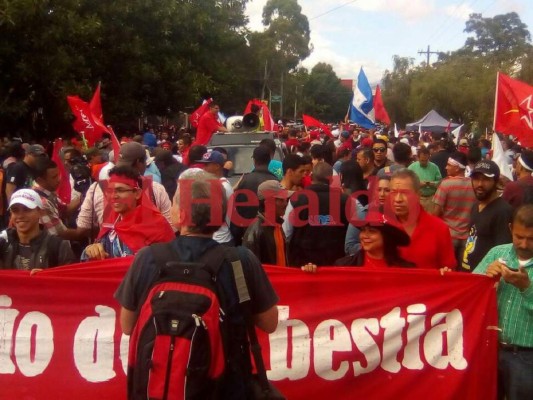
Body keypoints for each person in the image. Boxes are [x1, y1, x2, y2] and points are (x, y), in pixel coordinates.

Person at [115, 170, 278, 398]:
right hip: (225, 387)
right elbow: (270, 323)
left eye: (172, 203)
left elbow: (127, 325)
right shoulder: (240, 261)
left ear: (180, 215)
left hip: (157, 388)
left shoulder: (147, 258)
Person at [472, 204, 533, 400]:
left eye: (531, 239)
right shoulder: (497, 253)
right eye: (519, 237)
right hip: (490, 349)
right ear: (510, 229)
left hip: (526, 356)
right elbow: (468, 293)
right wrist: (485, 277)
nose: (524, 244)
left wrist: (526, 288)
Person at [76, 142, 173, 236]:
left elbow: (83, 228)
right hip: (149, 248)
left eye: (121, 190)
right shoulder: (155, 188)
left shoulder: (96, 188)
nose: (114, 196)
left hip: (107, 250)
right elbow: (171, 227)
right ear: (139, 162)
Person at [82, 166, 174, 260]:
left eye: (120, 190)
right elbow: (96, 254)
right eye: (110, 191)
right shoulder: (110, 223)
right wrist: (90, 250)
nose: (114, 196)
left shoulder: (156, 225)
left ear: (137, 193)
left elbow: (168, 263)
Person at [386, 168, 456, 269]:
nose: (398, 199)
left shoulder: (439, 228)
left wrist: (446, 271)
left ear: (418, 195)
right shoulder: (383, 228)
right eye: (393, 192)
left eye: (405, 193)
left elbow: (449, 268)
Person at [284, 162, 349, 266]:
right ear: (331, 179)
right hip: (335, 265)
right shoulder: (345, 200)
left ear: (312, 177)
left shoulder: (296, 199)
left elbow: (286, 234)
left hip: (302, 265)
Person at [0, 189, 75, 271]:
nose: (20, 215)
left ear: (40, 212)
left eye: (27, 209)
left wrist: (45, 278)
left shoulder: (59, 247)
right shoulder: (3, 243)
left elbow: (69, 281)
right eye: (15, 210)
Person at [462, 160, 513, 272]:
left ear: (496, 182)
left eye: (486, 179)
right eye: (476, 179)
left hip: (484, 280)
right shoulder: (476, 205)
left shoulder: (503, 211)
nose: (480, 184)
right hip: (469, 276)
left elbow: (504, 253)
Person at [433, 152, 477, 268]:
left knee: (448, 270)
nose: (446, 167)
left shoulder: (446, 184)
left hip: (449, 236)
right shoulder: (474, 185)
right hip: (468, 238)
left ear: (457, 168)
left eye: (449, 165)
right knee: (464, 270)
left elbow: (435, 213)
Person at [231, 145, 277, 245]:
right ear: (269, 160)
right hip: (270, 234)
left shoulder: (245, 180)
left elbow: (238, 209)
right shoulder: (275, 181)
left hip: (247, 234)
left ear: (254, 160)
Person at [335, 212, 413, 268]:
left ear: (387, 236)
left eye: (372, 231)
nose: (365, 235)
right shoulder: (344, 266)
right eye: (363, 230)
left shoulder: (406, 270)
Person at [243, 180, 293, 265]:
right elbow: (250, 267)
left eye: (286, 199)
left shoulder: (278, 225)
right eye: (281, 200)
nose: (285, 203)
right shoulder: (256, 231)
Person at [196, 151, 234, 245]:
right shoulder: (219, 184)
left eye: (207, 165)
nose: (203, 168)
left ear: (217, 166)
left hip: (221, 240)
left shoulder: (222, 187)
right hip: (216, 238)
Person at [408, 147, 442, 213]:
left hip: (431, 199)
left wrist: (433, 183)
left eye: (426, 160)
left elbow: (440, 182)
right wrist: (417, 184)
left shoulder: (434, 167)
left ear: (429, 157)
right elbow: (407, 183)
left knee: (430, 220)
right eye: (422, 160)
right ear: (418, 158)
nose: (424, 162)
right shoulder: (412, 167)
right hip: (417, 198)